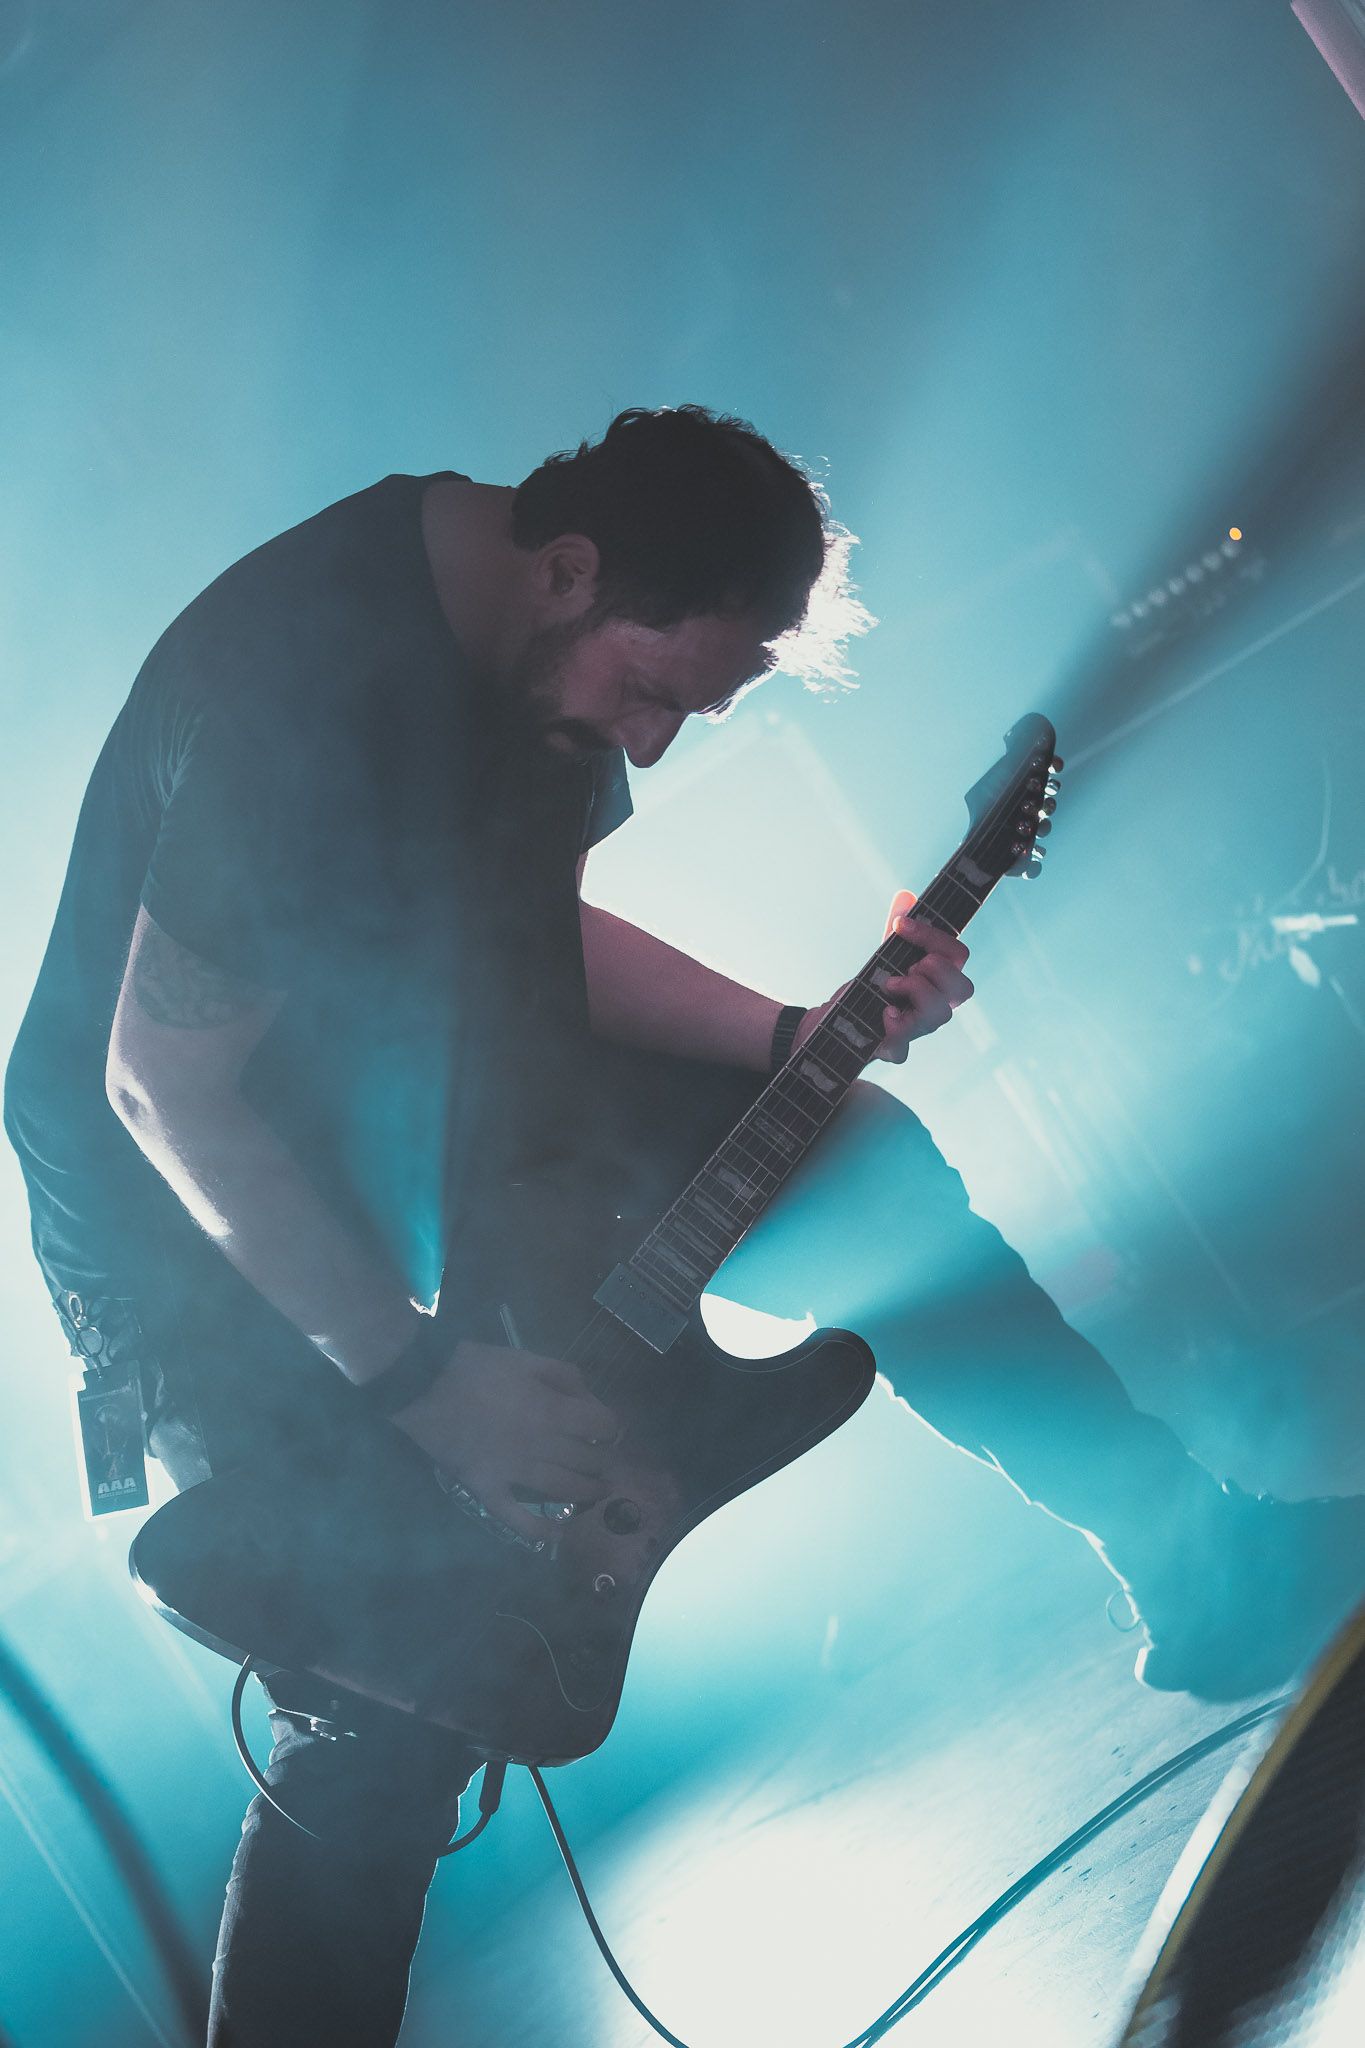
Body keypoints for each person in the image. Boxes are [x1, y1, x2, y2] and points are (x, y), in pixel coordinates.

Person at [5, 405, 1361, 2047]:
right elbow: (161, 1083)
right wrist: (417, 1380)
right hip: (176, 1200)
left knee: (841, 1157)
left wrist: (790, 1033)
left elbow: (536, 933)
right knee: (387, 1690)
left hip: (395, 1094)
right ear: (569, 570)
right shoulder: (306, 682)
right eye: (652, 695)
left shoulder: (544, 659)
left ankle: (1197, 1561)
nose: (650, 749)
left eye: (692, 714)